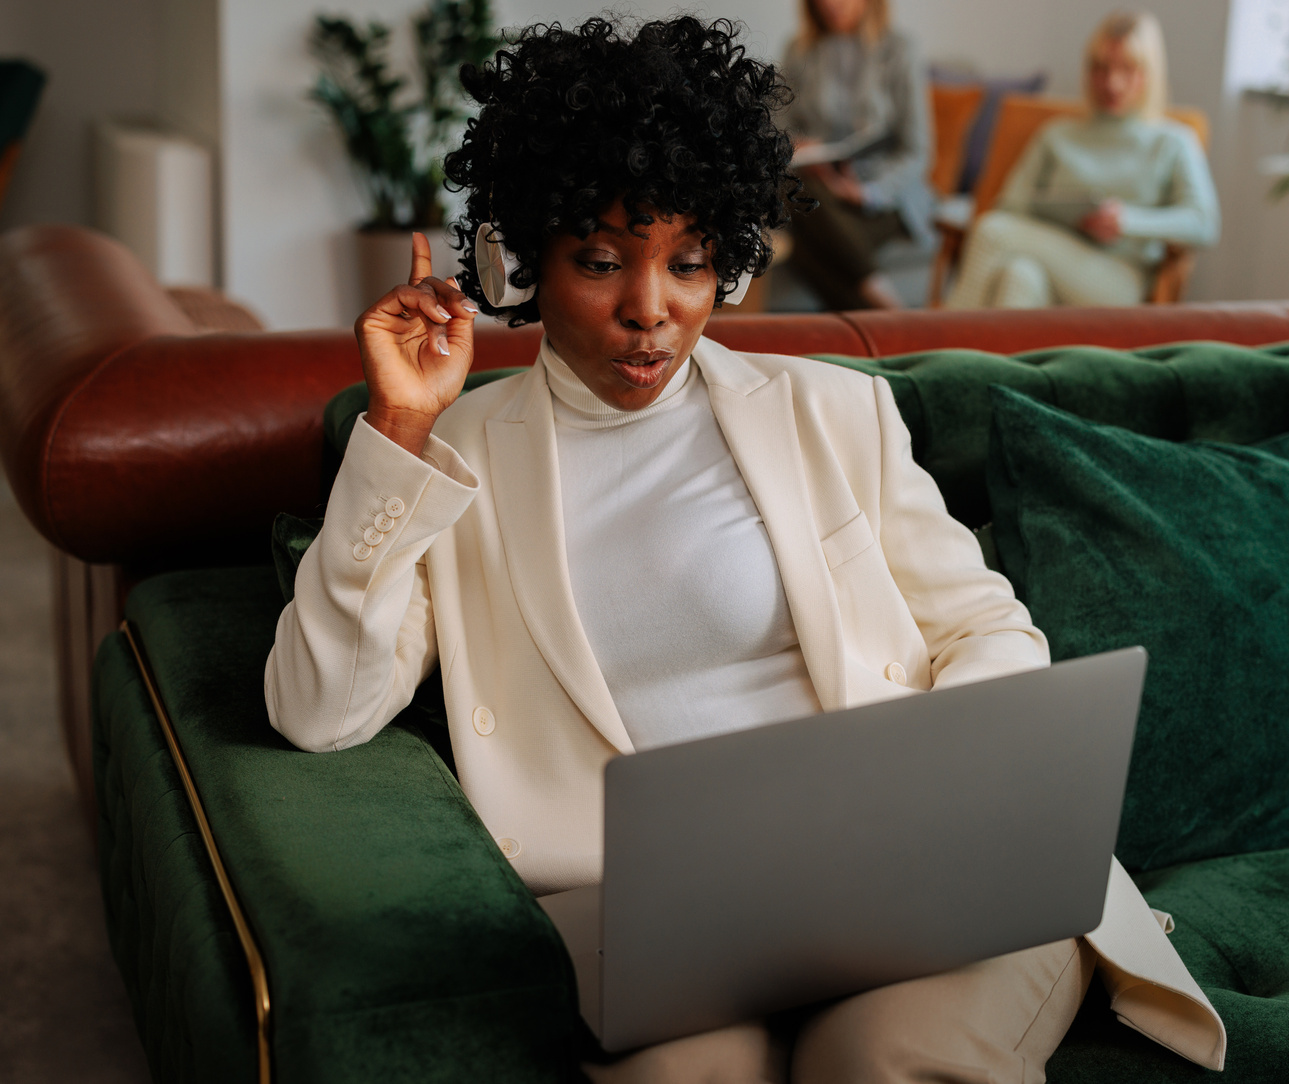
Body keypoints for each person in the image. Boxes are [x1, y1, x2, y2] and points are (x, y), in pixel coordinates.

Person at [265, 16, 1224, 1082]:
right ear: (523, 254)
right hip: (664, 919)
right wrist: (396, 433)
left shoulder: (831, 412)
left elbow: (987, 628)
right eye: (599, 260)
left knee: (883, 1060)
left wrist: (941, 802)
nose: (652, 310)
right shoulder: (458, 456)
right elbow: (318, 707)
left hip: (912, 867)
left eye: (691, 263)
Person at [946, 11, 1219, 310]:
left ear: (1150, 73)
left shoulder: (1173, 142)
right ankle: (993, 357)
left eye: (1127, 69)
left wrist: (1127, 221)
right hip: (1049, 260)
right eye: (1101, 69)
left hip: (1116, 277)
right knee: (1019, 276)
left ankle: (938, 344)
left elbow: (1204, 222)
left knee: (991, 231)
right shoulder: (1057, 135)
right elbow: (1011, 205)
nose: (1112, 83)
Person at [779, 0, 932, 310]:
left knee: (803, 238)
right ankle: (892, 315)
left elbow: (917, 151)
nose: (832, 5)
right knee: (795, 187)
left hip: (883, 197)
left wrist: (867, 193)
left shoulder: (900, 50)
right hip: (818, 185)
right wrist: (798, 145)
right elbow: (776, 129)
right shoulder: (799, 50)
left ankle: (888, 319)